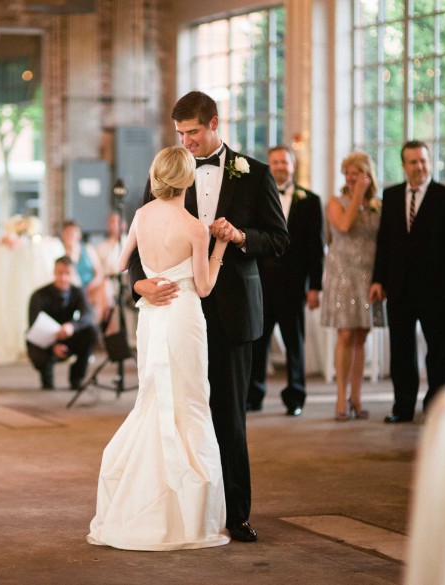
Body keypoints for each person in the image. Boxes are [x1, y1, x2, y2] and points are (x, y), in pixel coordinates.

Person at [127, 91, 289, 542]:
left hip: (233, 310)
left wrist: (239, 236)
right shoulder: (167, 169)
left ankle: (235, 513)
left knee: (229, 414)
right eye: (180, 133)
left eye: (193, 132)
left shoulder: (254, 173)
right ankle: (183, 507)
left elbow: (278, 239)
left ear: (215, 123)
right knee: (177, 409)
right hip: (177, 311)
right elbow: (141, 233)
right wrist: (137, 284)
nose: (186, 141)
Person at [88, 146, 230, 551]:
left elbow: (118, 264)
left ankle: (145, 500)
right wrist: (219, 247)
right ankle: (185, 512)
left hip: (151, 315)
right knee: (188, 402)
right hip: (183, 314)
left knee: (152, 398)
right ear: (187, 180)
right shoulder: (195, 228)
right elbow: (204, 288)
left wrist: (147, 280)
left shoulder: (140, 216)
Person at [369, 140, 445, 423]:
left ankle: (435, 406)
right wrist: (378, 279)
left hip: (435, 288)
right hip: (398, 286)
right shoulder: (392, 195)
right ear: (404, 165)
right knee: (401, 351)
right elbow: (384, 242)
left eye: (423, 161)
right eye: (413, 162)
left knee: (438, 350)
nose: (419, 166)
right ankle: (403, 406)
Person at [247, 145, 325, 416]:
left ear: (293, 166)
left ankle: (296, 397)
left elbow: (316, 248)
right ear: (268, 165)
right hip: (260, 283)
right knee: (258, 342)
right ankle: (253, 394)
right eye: (275, 162)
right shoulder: (256, 198)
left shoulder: (310, 201)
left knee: (295, 343)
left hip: (294, 285)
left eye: (284, 162)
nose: (280, 166)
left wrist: (315, 286)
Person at [321, 152, 384, 421]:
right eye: (347, 173)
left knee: (362, 335)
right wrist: (357, 193)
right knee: (345, 335)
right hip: (343, 275)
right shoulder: (336, 202)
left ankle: (356, 398)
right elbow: (344, 226)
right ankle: (339, 400)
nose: (350, 177)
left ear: (368, 175)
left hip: (370, 277)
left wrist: (383, 279)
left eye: (355, 173)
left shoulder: (379, 206)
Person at [26, 256, 98, 390]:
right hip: (45, 340)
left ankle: (77, 378)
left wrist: (72, 326)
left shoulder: (78, 292)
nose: (63, 278)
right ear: (54, 273)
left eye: (67, 274)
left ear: (73, 275)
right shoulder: (38, 296)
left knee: (91, 332)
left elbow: (87, 315)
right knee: (33, 342)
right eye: (60, 273)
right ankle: (46, 376)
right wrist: (52, 346)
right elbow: (33, 326)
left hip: (68, 337)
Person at [60, 219, 106, 321]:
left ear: (79, 234)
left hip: (91, 288)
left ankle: (98, 325)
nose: (71, 235)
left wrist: (90, 287)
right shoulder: (60, 251)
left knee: (103, 287)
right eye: (67, 232)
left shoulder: (88, 249)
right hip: (71, 290)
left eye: (73, 232)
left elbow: (99, 272)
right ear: (63, 235)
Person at [92, 212, 125, 328]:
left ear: (123, 225)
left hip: (126, 282)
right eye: (110, 223)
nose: (112, 226)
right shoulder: (100, 247)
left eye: (115, 222)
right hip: (107, 283)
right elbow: (98, 271)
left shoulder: (129, 243)